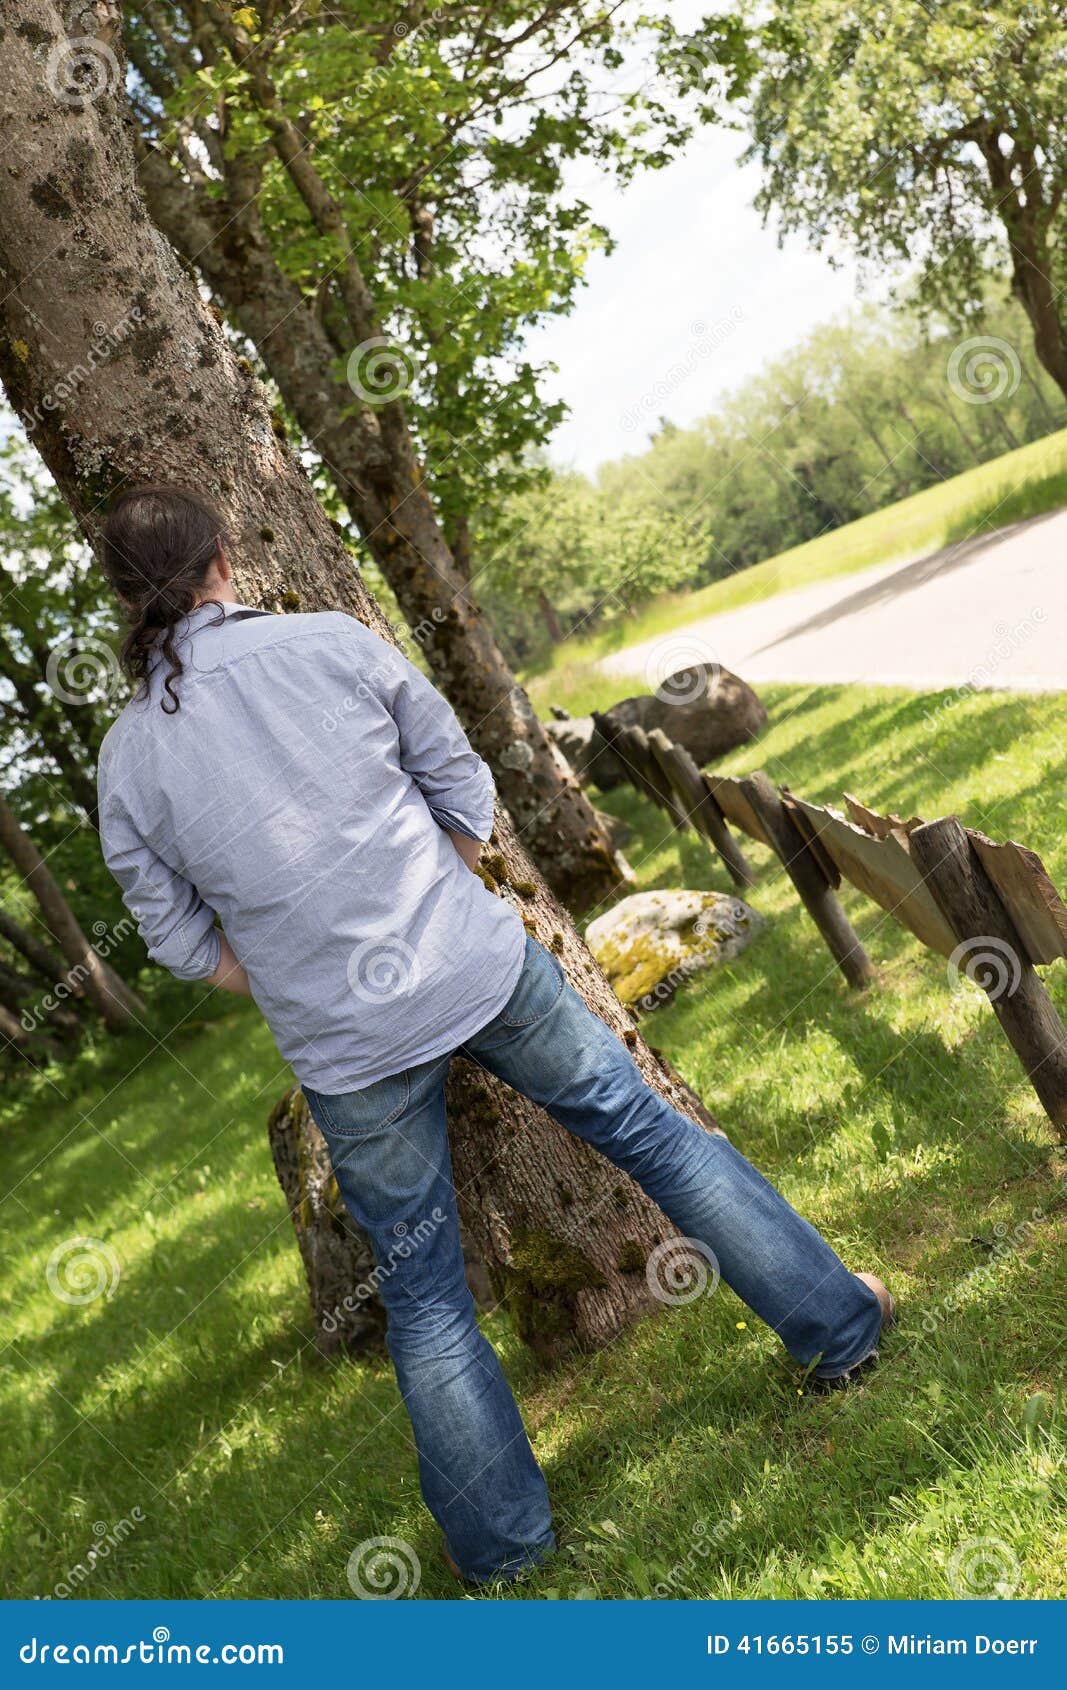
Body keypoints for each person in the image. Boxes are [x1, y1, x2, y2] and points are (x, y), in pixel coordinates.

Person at [96, 485, 893, 1586]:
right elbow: (462, 789)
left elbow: (180, 942)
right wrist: (439, 893)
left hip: (341, 1046)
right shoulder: (330, 643)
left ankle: (504, 1553)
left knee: (421, 1288)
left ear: (127, 603)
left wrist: (286, 977)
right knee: (652, 1139)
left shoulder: (127, 760)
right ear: (221, 560)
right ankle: (837, 1330)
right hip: (476, 966)